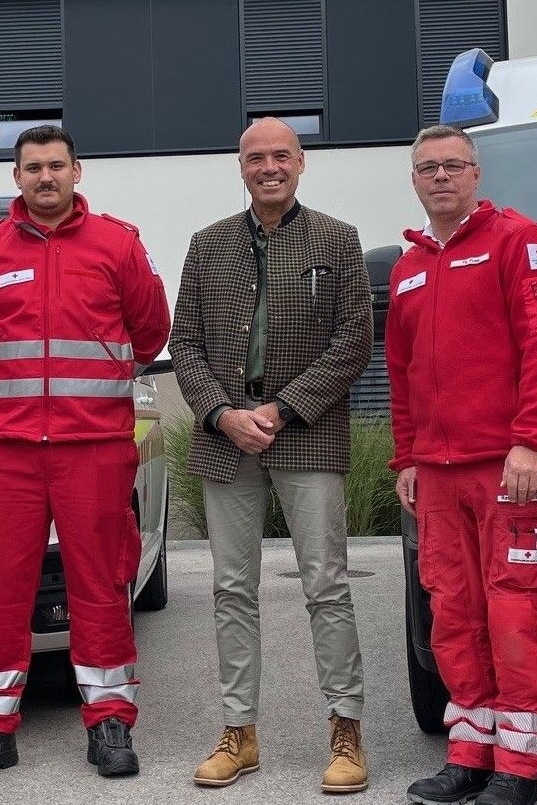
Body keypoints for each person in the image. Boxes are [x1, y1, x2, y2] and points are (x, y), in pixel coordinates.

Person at [0, 124, 170, 784]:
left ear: (78, 172)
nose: (45, 176)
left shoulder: (118, 244)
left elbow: (150, 327)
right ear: (15, 178)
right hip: (8, 448)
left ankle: (109, 720)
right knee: (2, 587)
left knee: (100, 585)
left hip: (94, 446)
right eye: (33, 166)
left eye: (56, 165)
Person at [170, 117, 374, 794]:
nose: (268, 166)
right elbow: (186, 344)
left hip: (305, 430)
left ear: (301, 162)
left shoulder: (337, 240)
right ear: (241, 167)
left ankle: (345, 727)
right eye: (255, 157)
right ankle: (239, 731)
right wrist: (223, 413)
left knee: (327, 585)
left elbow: (352, 342)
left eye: (280, 154)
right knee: (232, 588)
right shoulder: (207, 246)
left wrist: (281, 408)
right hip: (226, 436)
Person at [387, 126, 537, 805]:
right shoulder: (408, 269)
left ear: (476, 172)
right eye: (428, 167)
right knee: (453, 613)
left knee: (513, 611)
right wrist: (405, 455)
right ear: (414, 179)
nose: (441, 176)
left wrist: (533, 439)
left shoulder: (519, 242)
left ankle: (519, 767)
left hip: (509, 466)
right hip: (436, 472)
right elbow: (402, 374)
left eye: (453, 165)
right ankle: (469, 751)